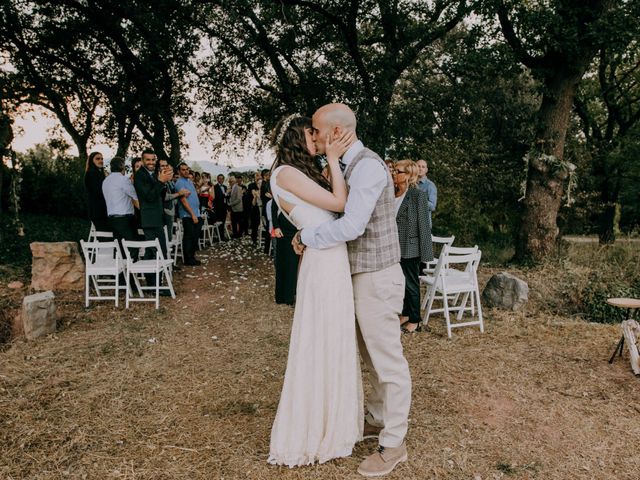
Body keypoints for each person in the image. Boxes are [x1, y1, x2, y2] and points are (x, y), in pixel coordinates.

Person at [296, 103, 411, 477]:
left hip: (377, 277)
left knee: (388, 361)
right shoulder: (346, 166)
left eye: (315, 129)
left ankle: (394, 443)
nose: (311, 136)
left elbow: (352, 227)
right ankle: (377, 419)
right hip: (360, 277)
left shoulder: (368, 168)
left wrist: (307, 236)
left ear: (334, 132)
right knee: (369, 356)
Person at [268, 113, 360, 467]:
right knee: (322, 339)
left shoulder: (298, 173)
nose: (318, 139)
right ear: (296, 137)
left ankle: (332, 421)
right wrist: (334, 161)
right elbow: (339, 205)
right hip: (323, 261)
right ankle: (313, 427)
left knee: (332, 338)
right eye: (312, 134)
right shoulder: (286, 173)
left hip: (326, 254)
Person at [392, 160, 433, 334]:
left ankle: (415, 320)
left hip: (410, 248)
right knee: (399, 283)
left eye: (398, 171)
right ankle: (405, 313)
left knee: (410, 284)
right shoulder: (393, 194)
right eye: (394, 170)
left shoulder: (418, 196)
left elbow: (424, 225)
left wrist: (425, 255)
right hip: (394, 247)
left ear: (409, 175)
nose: (394, 173)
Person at [134, 148, 173, 291]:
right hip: (149, 220)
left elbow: (159, 197)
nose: (151, 162)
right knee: (158, 252)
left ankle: (153, 286)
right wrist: (160, 182)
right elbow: (149, 197)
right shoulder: (140, 176)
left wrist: (163, 182)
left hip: (157, 218)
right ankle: (156, 286)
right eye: (148, 160)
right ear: (143, 160)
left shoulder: (153, 175)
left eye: (153, 159)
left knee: (153, 252)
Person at [102, 156, 139, 252]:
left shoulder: (106, 181)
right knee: (132, 246)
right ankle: (133, 266)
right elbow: (135, 196)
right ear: (122, 166)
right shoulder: (123, 180)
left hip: (112, 218)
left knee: (119, 247)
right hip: (125, 219)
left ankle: (121, 266)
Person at [271, 198, 297, 305]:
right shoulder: (280, 186)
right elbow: (274, 208)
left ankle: (291, 295)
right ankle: (282, 296)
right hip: (282, 230)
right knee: (282, 263)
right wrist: (276, 226)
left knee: (294, 265)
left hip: (296, 229)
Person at [175, 162, 202, 266]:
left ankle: (192, 256)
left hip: (196, 213)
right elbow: (183, 200)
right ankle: (188, 259)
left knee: (195, 236)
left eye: (187, 169)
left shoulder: (189, 181)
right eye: (183, 169)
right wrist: (192, 214)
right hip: (188, 215)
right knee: (189, 236)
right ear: (179, 171)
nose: (186, 171)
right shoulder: (180, 182)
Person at [158, 159, 190, 242]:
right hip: (166, 211)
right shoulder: (162, 182)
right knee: (167, 237)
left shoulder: (171, 183)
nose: (171, 173)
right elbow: (165, 197)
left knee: (169, 236)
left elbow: (174, 197)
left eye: (171, 171)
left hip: (172, 211)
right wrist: (179, 194)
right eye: (169, 171)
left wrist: (182, 195)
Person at [84, 151, 109, 232]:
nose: (101, 161)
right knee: (104, 235)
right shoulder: (91, 173)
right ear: (92, 160)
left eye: (102, 159)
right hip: (97, 211)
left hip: (102, 210)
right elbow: (97, 191)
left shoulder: (100, 173)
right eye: (97, 159)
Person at [416, 159, 437, 226]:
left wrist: (419, 199)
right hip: (410, 223)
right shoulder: (410, 184)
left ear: (426, 170)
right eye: (418, 166)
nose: (420, 169)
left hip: (424, 225)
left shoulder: (430, 185)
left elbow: (432, 206)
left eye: (423, 167)